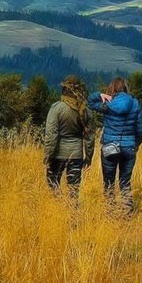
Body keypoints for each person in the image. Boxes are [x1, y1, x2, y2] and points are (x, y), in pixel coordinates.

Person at [88, 76, 142, 214]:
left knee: (109, 182)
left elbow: (89, 102)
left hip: (109, 146)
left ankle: (110, 211)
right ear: (125, 88)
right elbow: (140, 128)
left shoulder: (108, 104)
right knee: (125, 181)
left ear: (112, 88)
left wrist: (100, 95)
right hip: (129, 146)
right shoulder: (135, 104)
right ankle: (127, 212)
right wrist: (136, 143)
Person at [44, 75, 95, 205]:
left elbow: (51, 134)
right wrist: (88, 158)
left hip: (57, 154)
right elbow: (89, 136)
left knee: (52, 182)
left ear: (65, 89)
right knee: (74, 189)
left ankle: (59, 207)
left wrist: (48, 156)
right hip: (76, 154)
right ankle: (72, 216)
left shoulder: (57, 108)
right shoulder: (86, 110)